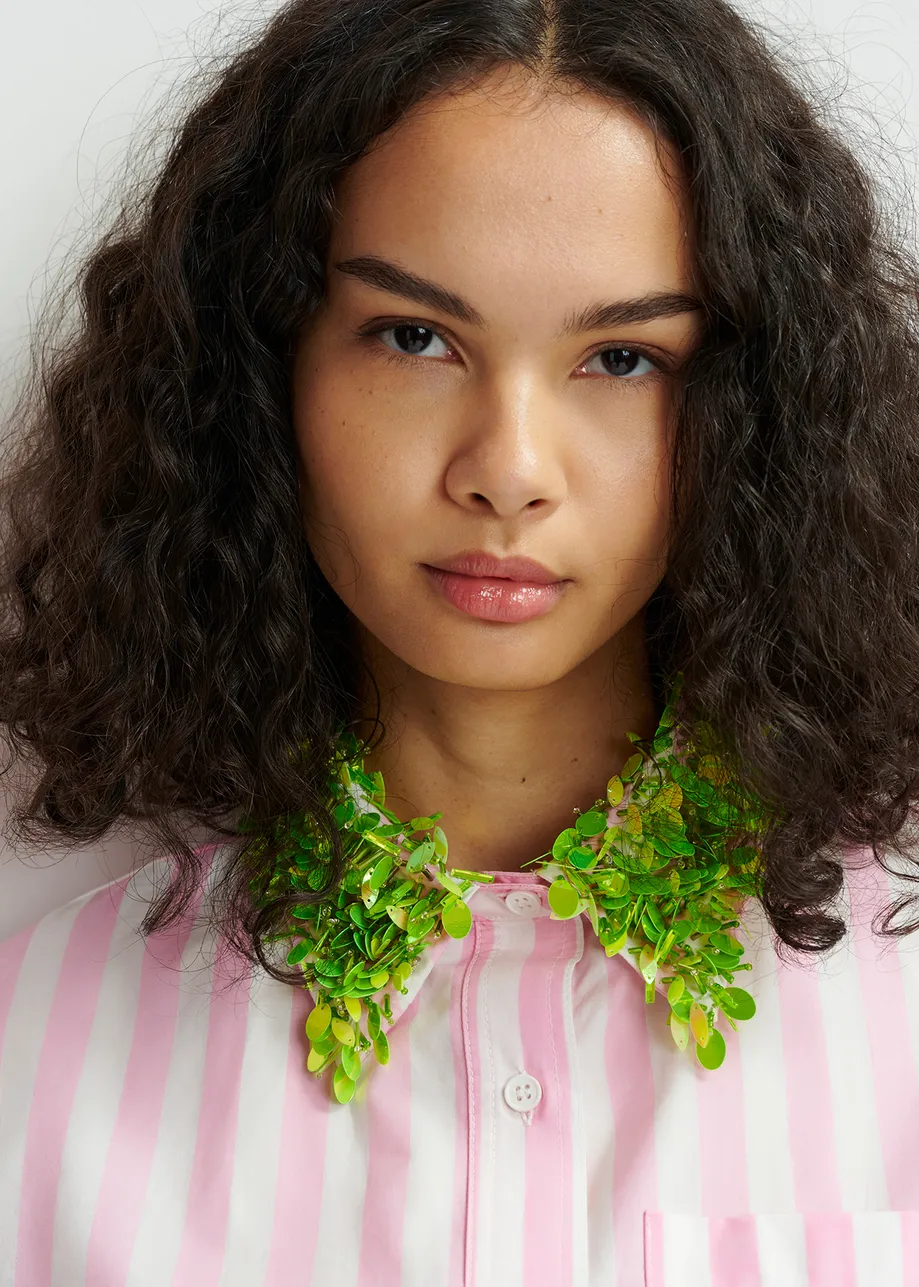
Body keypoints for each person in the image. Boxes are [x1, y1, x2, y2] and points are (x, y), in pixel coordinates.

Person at [1, 0, 919, 1282]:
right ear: (260, 376)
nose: (510, 471)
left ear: (755, 412)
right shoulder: (26, 1062)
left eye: (623, 358)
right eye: (414, 337)